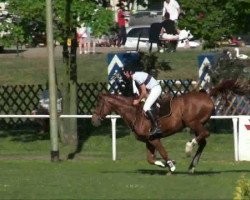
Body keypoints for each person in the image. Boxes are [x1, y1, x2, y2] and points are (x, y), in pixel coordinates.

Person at [122, 64, 162, 139]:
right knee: (147, 105)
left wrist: (138, 100)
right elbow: (145, 93)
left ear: (130, 72)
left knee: (146, 107)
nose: (124, 73)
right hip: (153, 89)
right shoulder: (136, 76)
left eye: (125, 72)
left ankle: (156, 127)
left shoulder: (136, 77)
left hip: (155, 89)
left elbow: (143, 92)